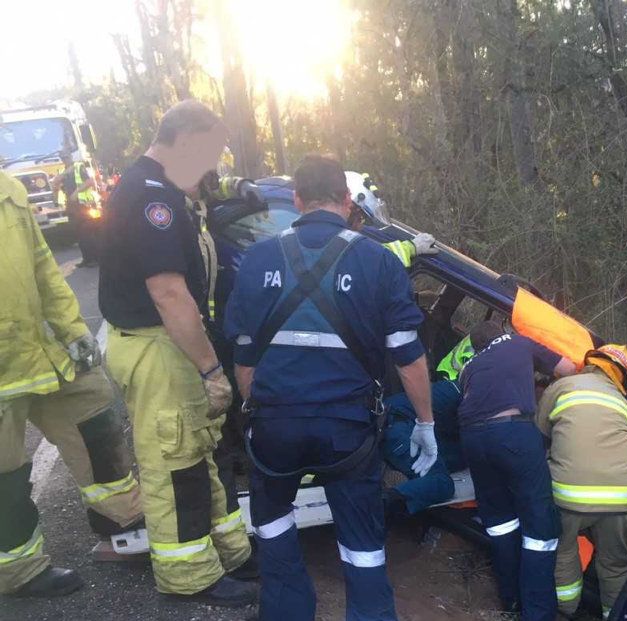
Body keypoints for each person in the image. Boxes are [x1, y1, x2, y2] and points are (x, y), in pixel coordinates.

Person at [224, 155, 438, 621]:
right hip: (348, 431)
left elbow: (244, 360)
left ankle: (288, 612)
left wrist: (256, 409)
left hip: (274, 425)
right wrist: (425, 422)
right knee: (362, 543)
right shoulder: (377, 260)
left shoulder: (258, 258)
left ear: (298, 200)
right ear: (346, 200)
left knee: (274, 522)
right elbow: (409, 357)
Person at [99, 100, 256, 606]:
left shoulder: (164, 185)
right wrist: (211, 368)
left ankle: (230, 553)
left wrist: (232, 186)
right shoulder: (151, 200)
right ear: (185, 142)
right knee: (174, 464)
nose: (212, 167)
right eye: (209, 154)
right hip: (156, 345)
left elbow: (210, 190)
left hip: (169, 344)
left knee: (197, 451)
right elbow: (169, 292)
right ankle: (191, 576)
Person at [0, 169, 143, 598]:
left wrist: (74, 330)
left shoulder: (9, 189)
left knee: (95, 412)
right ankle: (18, 572)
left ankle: (120, 518)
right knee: (4, 473)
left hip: (40, 352)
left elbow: (43, 265)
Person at [457, 320, 576, 620]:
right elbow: (569, 369)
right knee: (540, 526)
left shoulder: (469, 366)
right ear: (502, 332)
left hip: (472, 439)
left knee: (500, 521)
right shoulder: (520, 342)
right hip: (512, 433)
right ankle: (537, 613)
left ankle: (511, 601)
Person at [536, 344, 627, 619]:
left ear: (591, 362)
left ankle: (565, 610)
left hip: (570, 496)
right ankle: (614, 615)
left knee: (564, 552)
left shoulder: (564, 386)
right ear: (621, 377)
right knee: (616, 565)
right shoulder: (626, 405)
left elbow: (540, 431)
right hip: (621, 499)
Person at [381, 380, 465, 518]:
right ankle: (378, 507)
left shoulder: (467, 387)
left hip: (393, 425)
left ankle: (391, 473)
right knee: (443, 484)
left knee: (461, 456)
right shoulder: (472, 394)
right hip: (398, 427)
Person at [55, 150, 102, 267]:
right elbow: (60, 189)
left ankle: (95, 259)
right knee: (79, 234)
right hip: (72, 207)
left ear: (70, 157)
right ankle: (86, 259)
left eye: (66, 157)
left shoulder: (78, 167)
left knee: (87, 233)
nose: (65, 160)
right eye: (62, 158)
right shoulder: (63, 172)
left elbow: (90, 181)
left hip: (83, 205)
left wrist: (76, 192)